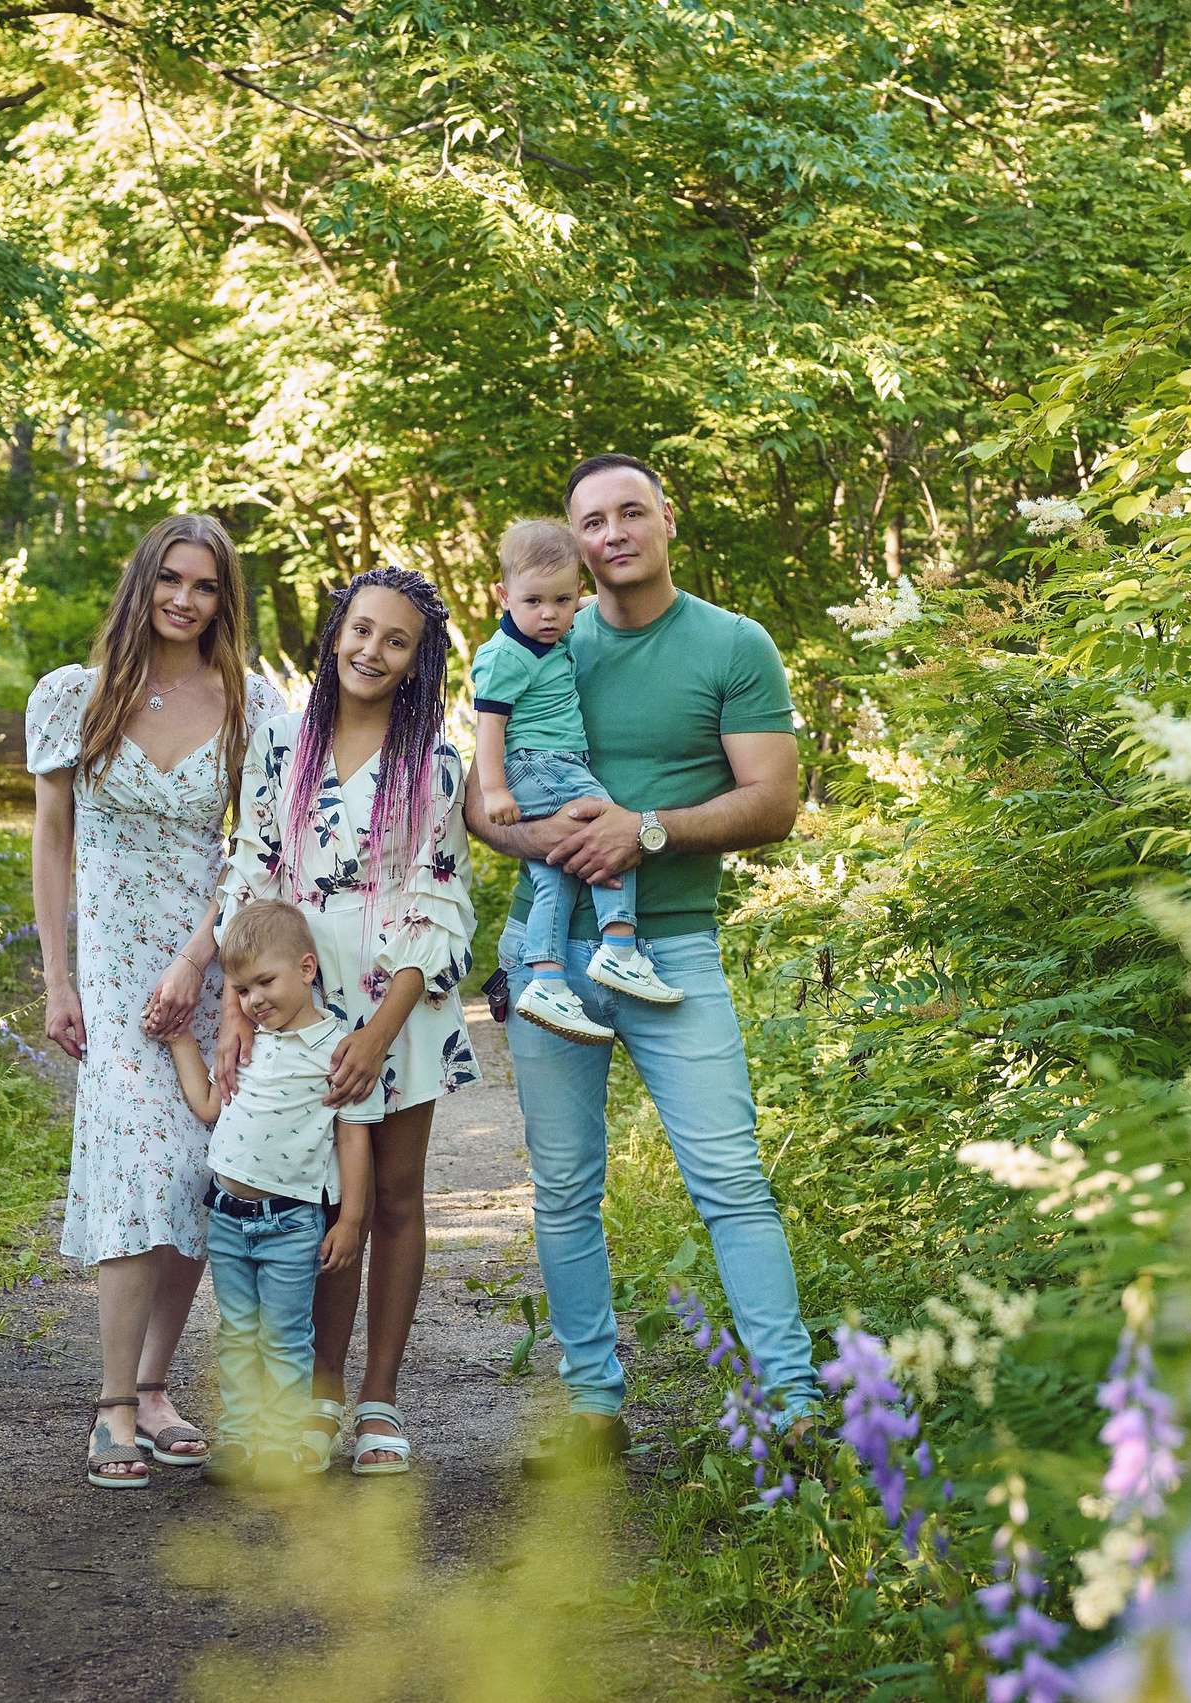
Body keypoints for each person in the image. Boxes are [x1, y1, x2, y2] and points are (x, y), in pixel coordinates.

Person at [462, 454, 814, 1479]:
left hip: (673, 950)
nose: (612, 531)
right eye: (591, 520)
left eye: (630, 511)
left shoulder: (730, 643)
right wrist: (558, 843)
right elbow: (488, 810)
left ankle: (795, 1404)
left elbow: (774, 801)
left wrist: (643, 832)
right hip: (549, 955)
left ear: (668, 518)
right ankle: (592, 1410)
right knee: (565, 1187)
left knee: (731, 1179)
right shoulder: (535, 638)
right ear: (569, 542)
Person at [27, 513, 286, 1489]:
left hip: (207, 959)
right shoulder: (74, 696)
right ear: (143, 583)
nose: (185, 598)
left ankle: (153, 1386)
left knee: (195, 1172)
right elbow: (51, 839)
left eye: (206, 585)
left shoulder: (251, 704)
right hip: (110, 967)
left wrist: (198, 964)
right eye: (171, 578)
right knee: (137, 1161)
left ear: (225, 600)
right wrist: (56, 976)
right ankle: (107, 1405)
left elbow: (258, 849)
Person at [215, 565, 478, 1475]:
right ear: (335, 634)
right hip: (292, 1013)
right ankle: (319, 1394)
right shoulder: (281, 746)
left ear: (418, 661)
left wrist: (375, 1033)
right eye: (361, 630)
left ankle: (379, 1399)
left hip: (399, 1012)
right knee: (314, 1200)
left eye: (396, 640)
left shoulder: (436, 765)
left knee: (394, 1200)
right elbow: (250, 875)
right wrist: (235, 1008)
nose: (373, 650)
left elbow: (435, 904)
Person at [165, 899, 377, 1485]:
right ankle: (237, 1442)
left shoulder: (338, 1050)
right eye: (242, 990)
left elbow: (354, 1141)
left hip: (291, 1221)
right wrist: (183, 1042)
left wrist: (351, 1220)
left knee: (284, 1338)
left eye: (266, 982)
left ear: (306, 969)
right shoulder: (248, 1045)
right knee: (237, 1334)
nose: (255, 1000)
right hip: (227, 1218)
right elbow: (210, 1105)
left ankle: (283, 1446)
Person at [470, 518, 684, 1044]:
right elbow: (488, 727)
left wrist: (594, 604)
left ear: (578, 593)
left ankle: (544, 980)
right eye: (535, 601)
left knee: (555, 874)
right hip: (543, 764)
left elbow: (573, 607)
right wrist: (494, 790)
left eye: (563, 601)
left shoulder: (550, 631)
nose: (549, 615)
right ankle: (619, 947)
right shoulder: (506, 655)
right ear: (504, 595)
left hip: (546, 764)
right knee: (613, 828)